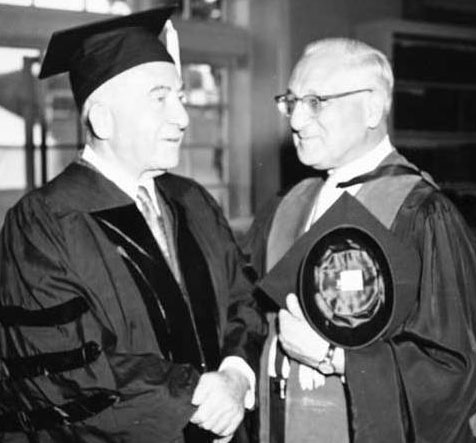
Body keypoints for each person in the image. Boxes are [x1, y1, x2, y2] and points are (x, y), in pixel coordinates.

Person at [0, 6, 266, 443]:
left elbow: (243, 299)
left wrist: (236, 376)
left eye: (180, 97)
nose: (182, 117)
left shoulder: (193, 201)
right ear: (103, 119)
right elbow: (65, 373)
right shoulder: (43, 223)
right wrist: (198, 394)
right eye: (160, 97)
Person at [244, 37, 476, 442]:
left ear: (372, 108)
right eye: (291, 101)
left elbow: (451, 372)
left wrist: (336, 359)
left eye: (316, 101)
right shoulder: (286, 206)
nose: (296, 120)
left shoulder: (421, 213)